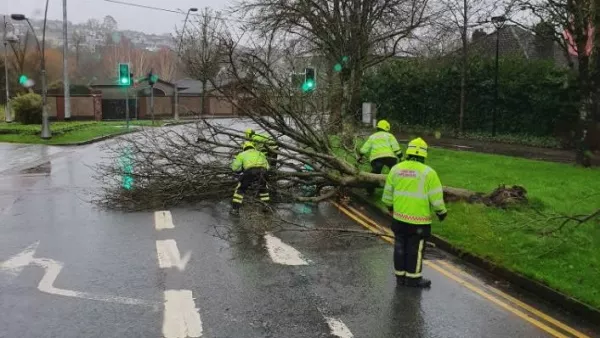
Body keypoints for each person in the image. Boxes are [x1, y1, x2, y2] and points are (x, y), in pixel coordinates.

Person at [382, 137, 447, 288]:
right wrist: (441, 212)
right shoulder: (429, 173)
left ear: (408, 151)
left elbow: (387, 194)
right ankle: (413, 278)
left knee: (400, 247)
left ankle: (400, 277)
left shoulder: (396, 169)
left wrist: (390, 207)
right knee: (415, 251)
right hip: (419, 222)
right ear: (424, 155)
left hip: (399, 219)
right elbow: (436, 197)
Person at [358, 120, 403, 195]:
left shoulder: (372, 137)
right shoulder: (389, 136)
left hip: (377, 158)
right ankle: (398, 189)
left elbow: (364, 148)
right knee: (395, 173)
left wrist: (360, 156)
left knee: (374, 175)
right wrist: (401, 157)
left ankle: (370, 191)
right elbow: (396, 148)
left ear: (378, 128)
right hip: (390, 157)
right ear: (387, 128)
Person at [230, 141, 270, 215]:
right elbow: (267, 167)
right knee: (263, 189)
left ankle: (235, 209)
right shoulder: (260, 153)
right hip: (263, 172)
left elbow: (235, 168)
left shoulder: (242, 154)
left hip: (250, 171)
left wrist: (241, 171)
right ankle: (266, 207)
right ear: (253, 146)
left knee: (240, 189)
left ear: (244, 148)